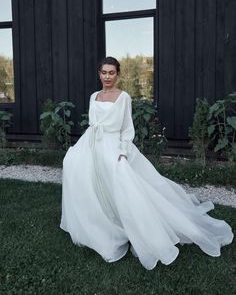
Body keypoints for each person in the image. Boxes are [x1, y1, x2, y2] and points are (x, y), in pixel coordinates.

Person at [60, 56, 234, 270]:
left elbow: (126, 129)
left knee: (119, 175)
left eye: (111, 73)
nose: (107, 77)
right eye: (104, 72)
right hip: (92, 142)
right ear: (99, 74)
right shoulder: (94, 96)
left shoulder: (123, 97)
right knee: (72, 165)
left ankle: (130, 226)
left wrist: (122, 152)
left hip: (114, 143)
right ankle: (96, 223)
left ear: (118, 74)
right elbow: (92, 125)